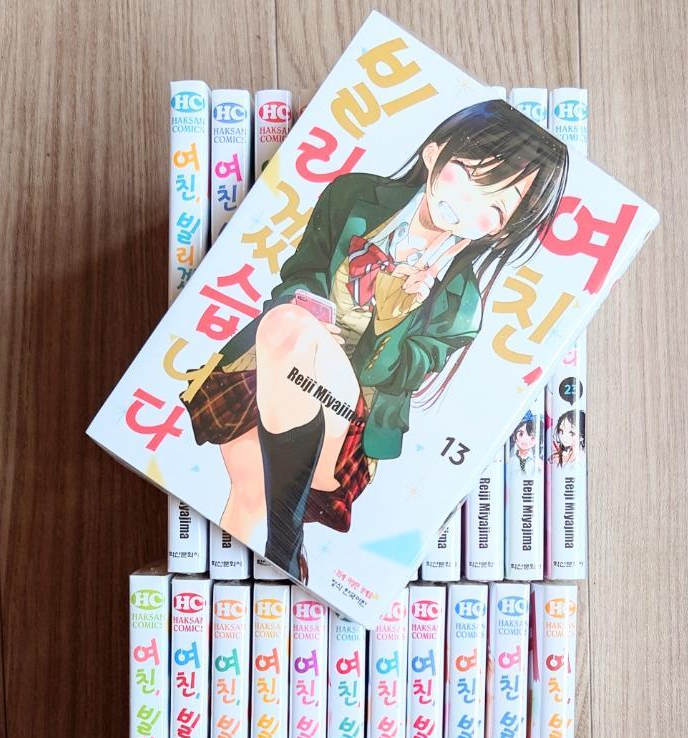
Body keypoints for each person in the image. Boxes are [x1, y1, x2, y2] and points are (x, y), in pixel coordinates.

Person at [181, 99, 568, 579]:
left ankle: (285, 536)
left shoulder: (461, 303)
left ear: (503, 231)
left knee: (289, 338)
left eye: (493, 206)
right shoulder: (353, 195)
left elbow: (397, 377)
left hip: (351, 415)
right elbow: (299, 274)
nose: (469, 204)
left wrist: (389, 320)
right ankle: (263, 564)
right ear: (434, 154)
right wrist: (309, 309)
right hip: (275, 368)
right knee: (247, 496)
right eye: (468, 176)